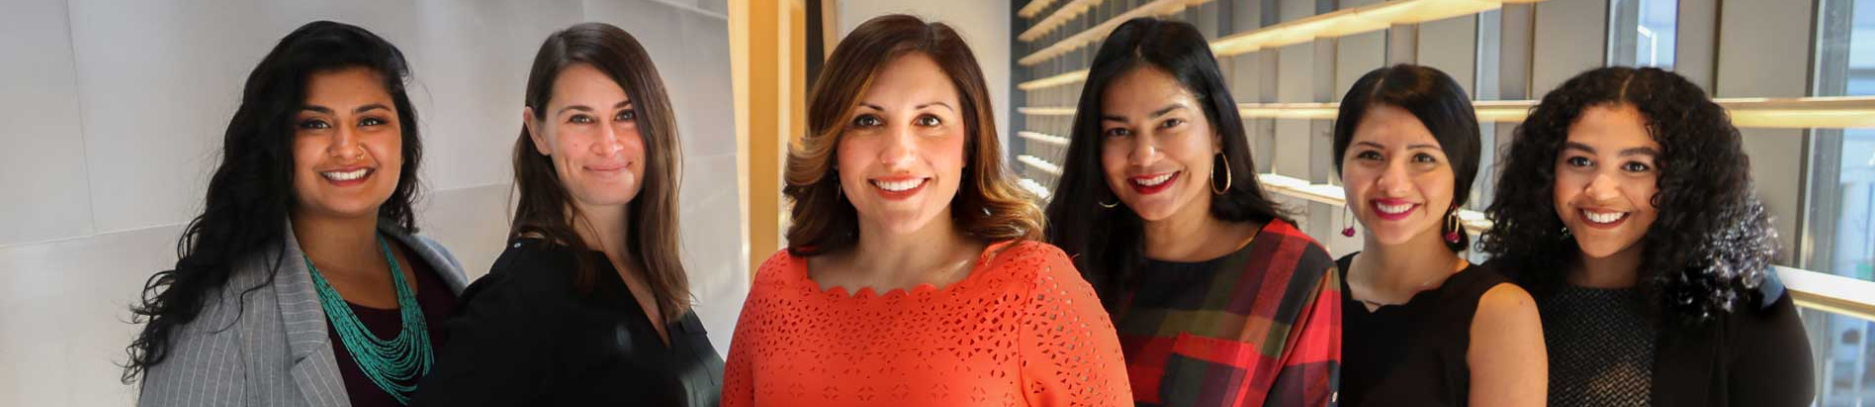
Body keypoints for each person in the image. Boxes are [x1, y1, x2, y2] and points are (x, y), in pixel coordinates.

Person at [720, 14, 1130, 406]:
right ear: (833, 146)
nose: (898, 155)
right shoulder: (776, 288)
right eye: (866, 121)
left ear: (969, 143)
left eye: (929, 120)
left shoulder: (1037, 287)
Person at [127, 21, 468, 407]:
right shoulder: (222, 314)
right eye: (315, 124)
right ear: (276, 145)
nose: (346, 147)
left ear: (403, 141)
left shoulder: (439, 267)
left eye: (370, 120)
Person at [411, 23, 722, 407]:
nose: (608, 143)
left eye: (626, 114)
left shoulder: (647, 267)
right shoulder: (516, 301)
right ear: (538, 132)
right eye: (580, 118)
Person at [1043, 17, 1338, 407]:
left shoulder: (1292, 273)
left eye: (1169, 123)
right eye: (1118, 131)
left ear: (1217, 130)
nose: (1144, 155)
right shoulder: (1062, 258)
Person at [1480, 66, 1814, 406]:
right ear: (1546, 170)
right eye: (1580, 161)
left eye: (1636, 167)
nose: (1600, 190)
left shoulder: (1746, 307)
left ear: (1684, 183)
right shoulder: (1501, 288)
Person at [1331, 64, 1546, 406]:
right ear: (1341, 165)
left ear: (1459, 176)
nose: (1393, 183)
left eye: (1423, 158)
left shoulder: (1501, 312)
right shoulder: (1311, 291)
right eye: (1370, 155)